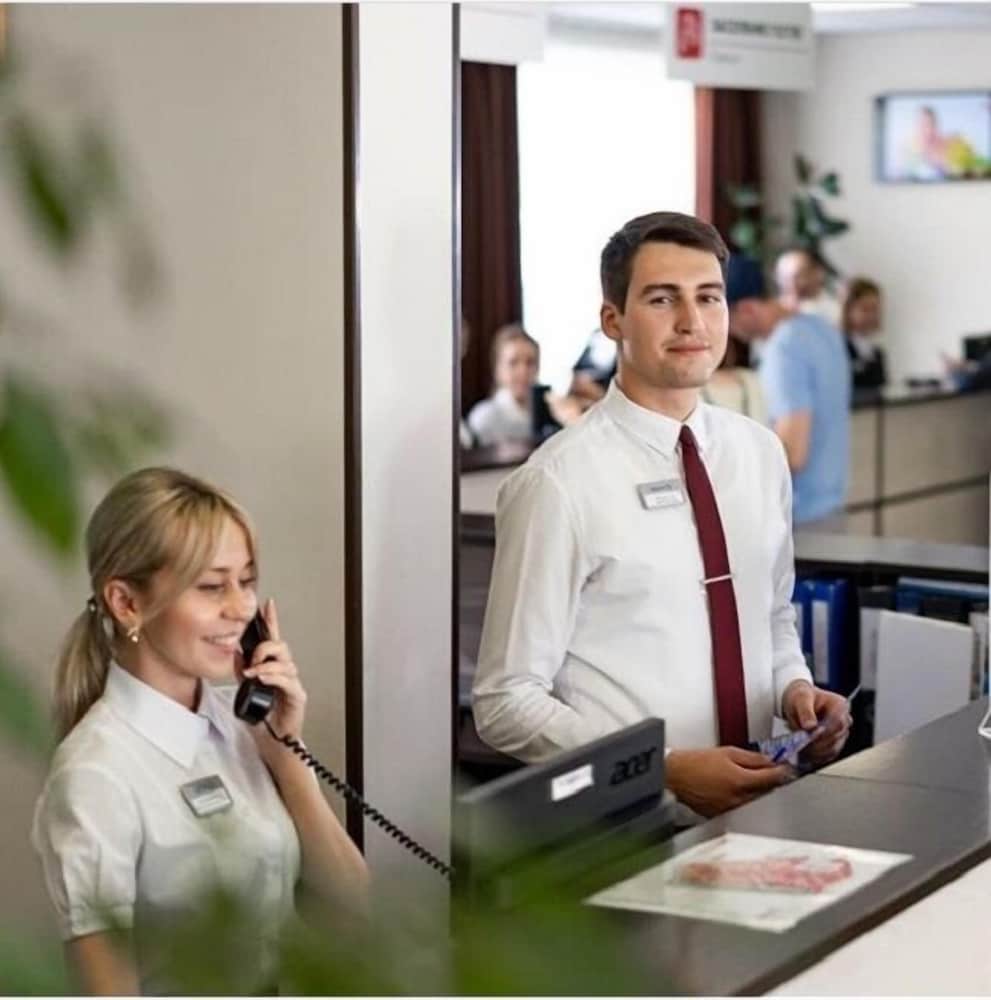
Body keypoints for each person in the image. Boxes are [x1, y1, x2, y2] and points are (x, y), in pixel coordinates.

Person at [472, 211, 852, 821]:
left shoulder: (758, 454)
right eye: (661, 298)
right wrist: (662, 767)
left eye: (708, 297)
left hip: (763, 807)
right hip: (631, 826)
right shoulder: (557, 483)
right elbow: (505, 701)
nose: (691, 321)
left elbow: (772, 617)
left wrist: (795, 690)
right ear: (612, 320)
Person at [32, 467, 368, 995]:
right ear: (126, 603)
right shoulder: (95, 774)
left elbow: (355, 915)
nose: (241, 608)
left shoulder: (245, 724)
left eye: (247, 581)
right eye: (212, 587)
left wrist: (286, 754)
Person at [729, 261, 852, 528]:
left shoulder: (783, 348)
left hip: (799, 516)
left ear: (747, 309)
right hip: (831, 505)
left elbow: (792, 453)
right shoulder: (823, 329)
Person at [466, 324, 540, 447]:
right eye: (513, 362)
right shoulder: (484, 418)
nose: (523, 371)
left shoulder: (547, 417)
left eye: (530, 362)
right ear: (497, 369)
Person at [774, 248, 841, 328]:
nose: (791, 283)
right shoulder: (776, 314)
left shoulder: (836, 307)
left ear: (818, 273)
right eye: (784, 278)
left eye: (798, 276)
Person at [841, 278, 887, 390]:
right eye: (865, 309)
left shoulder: (878, 353)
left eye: (875, 309)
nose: (871, 316)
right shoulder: (838, 348)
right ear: (848, 310)